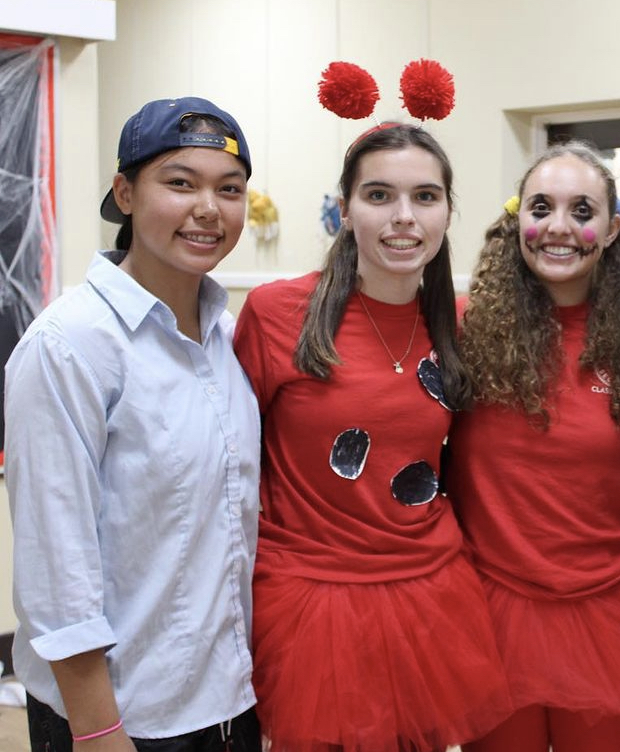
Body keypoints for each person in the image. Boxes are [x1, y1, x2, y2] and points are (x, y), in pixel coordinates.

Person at [232, 123, 510, 752]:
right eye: (379, 196)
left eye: (426, 197)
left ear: (447, 212)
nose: (403, 218)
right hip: (311, 599)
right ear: (345, 208)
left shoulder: (462, 325)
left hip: (431, 590)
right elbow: (228, 466)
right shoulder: (277, 314)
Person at [5, 97, 262, 751]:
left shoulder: (232, 341)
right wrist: (100, 732)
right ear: (125, 192)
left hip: (229, 704)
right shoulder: (70, 346)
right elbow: (56, 572)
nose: (208, 208)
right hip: (121, 721)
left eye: (229, 189)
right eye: (180, 183)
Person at [448, 141, 620, 752]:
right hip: (488, 612)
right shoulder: (462, 329)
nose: (559, 228)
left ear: (614, 228)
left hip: (612, 609)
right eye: (541, 207)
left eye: (582, 210)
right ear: (517, 219)